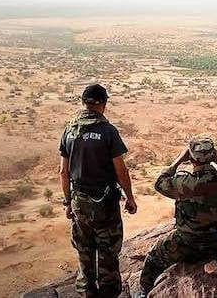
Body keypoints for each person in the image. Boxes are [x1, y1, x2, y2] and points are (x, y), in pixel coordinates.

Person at [59, 84, 137, 297]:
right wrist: (130, 198)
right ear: (103, 103)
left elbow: (63, 172)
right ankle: (108, 292)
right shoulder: (108, 131)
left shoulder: (70, 129)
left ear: (84, 103)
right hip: (105, 204)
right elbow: (121, 170)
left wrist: (68, 203)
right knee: (108, 253)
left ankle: (87, 292)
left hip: (79, 202)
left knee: (84, 252)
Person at [138, 138, 217, 296]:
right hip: (213, 244)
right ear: (213, 155)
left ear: (192, 159)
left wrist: (179, 159)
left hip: (185, 244)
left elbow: (159, 183)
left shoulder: (183, 183)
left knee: (154, 258)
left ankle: (144, 291)